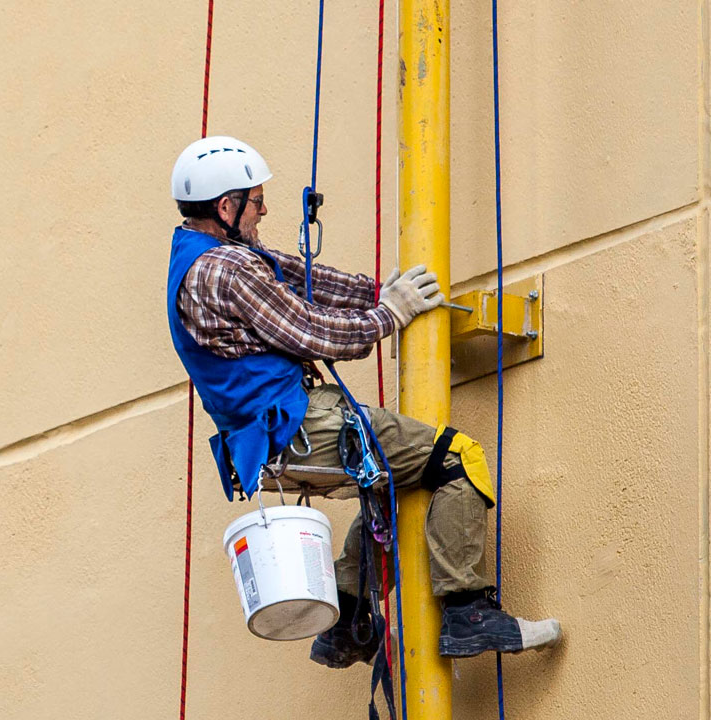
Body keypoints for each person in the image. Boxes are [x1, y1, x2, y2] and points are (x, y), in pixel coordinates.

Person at [166, 135, 560, 667]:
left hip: (270, 444)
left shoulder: (206, 257)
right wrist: (387, 316)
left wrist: (380, 292)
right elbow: (311, 333)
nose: (264, 210)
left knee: (392, 487)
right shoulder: (227, 272)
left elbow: (304, 278)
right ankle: (467, 611)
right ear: (226, 206)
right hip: (301, 424)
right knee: (455, 458)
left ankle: (348, 619)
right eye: (257, 201)